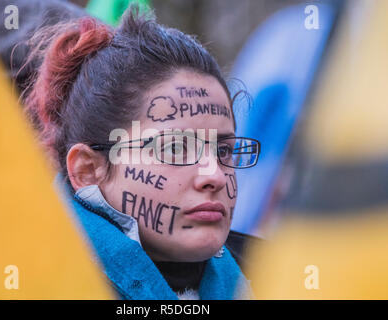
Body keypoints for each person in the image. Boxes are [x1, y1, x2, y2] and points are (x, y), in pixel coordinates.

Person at [24, 6, 259, 300]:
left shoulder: (277, 272)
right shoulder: (23, 281)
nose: (215, 176)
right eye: (175, 148)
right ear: (88, 169)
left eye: (224, 149)